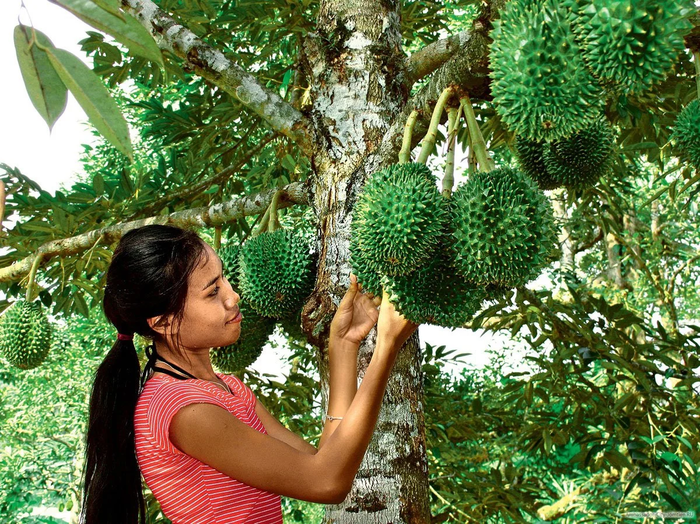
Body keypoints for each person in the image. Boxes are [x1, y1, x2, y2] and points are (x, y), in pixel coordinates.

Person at [80, 224, 417, 524]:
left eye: (224, 277)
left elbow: (322, 462)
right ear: (163, 322)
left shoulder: (226, 388)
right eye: (212, 292)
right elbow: (326, 482)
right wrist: (386, 348)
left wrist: (343, 347)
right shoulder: (182, 409)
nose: (233, 295)